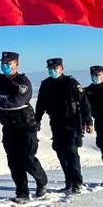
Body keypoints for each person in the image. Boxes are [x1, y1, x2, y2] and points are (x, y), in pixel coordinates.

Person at [0, 50, 48, 202]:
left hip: (25, 125)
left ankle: (42, 182)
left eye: (9, 64)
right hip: (9, 126)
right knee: (14, 160)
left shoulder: (23, 82)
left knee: (27, 158)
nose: (5, 66)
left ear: (16, 64)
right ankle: (22, 193)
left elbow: (18, 101)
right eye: (3, 64)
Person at [34, 57, 93, 194]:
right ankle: (69, 182)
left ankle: (77, 183)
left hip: (72, 123)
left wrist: (88, 121)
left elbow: (84, 103)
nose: (52, 71)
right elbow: (40, 105)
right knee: (61, 153)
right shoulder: (46, 84)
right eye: (50, 69)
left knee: (72, 152)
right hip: (56, 123)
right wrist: (37, 121)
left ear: (62, 69)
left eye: (55, 69)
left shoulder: (71, 83)